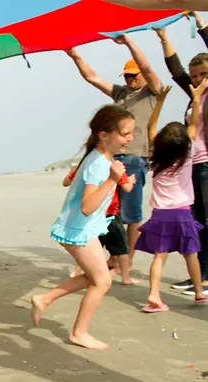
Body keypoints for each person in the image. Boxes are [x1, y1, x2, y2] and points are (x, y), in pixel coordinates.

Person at [31, 105, 134, 350]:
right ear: (104, 135)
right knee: (102, 281)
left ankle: (44, 298)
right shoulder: (98, 163)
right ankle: (79, 332)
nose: (129, 138)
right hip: (78, 230)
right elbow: (87, 206)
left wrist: (120, 180)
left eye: (131, 133)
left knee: (97, 276)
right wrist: (112, 179)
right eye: (125, 134)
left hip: (84, 228)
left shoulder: (104, 157)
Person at [66, 35, 161, 258]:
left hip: (135, 158)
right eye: (126, 76)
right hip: (111, 158)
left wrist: (128, 42)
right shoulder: (120, 93)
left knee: (131, 214)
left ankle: (124, 260)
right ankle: (105, 257)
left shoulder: (151, 93)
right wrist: (74, 55)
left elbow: (147, 67)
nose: (129, 80)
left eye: (133, 76)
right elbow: (92, 77)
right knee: (104, 209)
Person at [137, 83, 208, 311]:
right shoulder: (187, 153)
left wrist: (158, 102)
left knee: (159, 257)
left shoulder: (155, 155)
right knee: (191, 255)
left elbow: (151, 127)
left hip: (160, 216)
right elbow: (195, 125)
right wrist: (196, 99)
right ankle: (199, 292)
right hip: (182, 214)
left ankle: (154, 295)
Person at [156, 21, 208, 294]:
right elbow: (176, 71)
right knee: (198, 222)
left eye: (203, 74)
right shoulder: (195, 95)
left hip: (207, 165)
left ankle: (207, 275)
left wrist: (201, 25)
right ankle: (200, 273)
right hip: (194, 165)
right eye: (195, 75)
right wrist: (163, 36)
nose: (198, 80)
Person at [63, 163, 137, 284]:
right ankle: (125, 277)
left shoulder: (84, 166)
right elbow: (127, 188)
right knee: (122, 248)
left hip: (91, 215)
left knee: (87, 244)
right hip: (110, 214)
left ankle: (77, 271)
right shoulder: (115, 167)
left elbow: (66, 182)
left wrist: (72, 171)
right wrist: (131, 181)